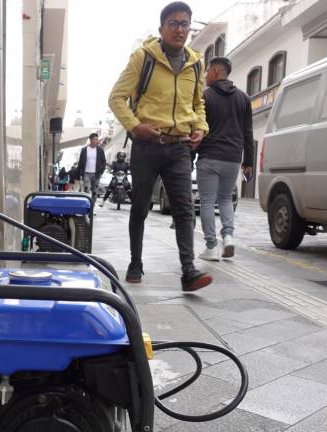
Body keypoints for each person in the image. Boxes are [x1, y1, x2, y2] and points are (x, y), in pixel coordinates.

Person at [109, 1, 212, 291]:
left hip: (180, 147)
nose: (180, 29)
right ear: (162, 28)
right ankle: (135, 263)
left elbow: (197, 103)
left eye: (184, 24)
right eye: (174, 23)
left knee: (183, 208)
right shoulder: (143, 58)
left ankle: (188, 270)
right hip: (147, 145)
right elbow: (116, 97)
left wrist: (201, 127)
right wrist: (134, 126)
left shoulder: (195, 61)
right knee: (140, 206)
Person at [196, 57, 254, 261]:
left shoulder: (205, 96)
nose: (206, 76)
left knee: (207, 201)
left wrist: (191, 155)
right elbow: (248, 131)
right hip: (232, 158)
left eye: (208, 71)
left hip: (210, 156)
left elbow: (198, 128)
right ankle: (228, 236)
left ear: (216, 71)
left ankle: (211, 247)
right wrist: (248, 162)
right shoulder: (243, 98)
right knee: (225, 199)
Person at [78, 133, 106, 203]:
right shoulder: (84, 150)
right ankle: (86, 206)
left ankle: (92, 208)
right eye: (95, 139)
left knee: (95, 192)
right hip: (86, 173)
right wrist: (80, 174)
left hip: (96, 174)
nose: (97, 141)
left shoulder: (100, 150)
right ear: (90, 140)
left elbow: (104, 162)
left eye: (97, 139)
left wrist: (101, 171)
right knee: (86, 191)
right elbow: (80, 162)